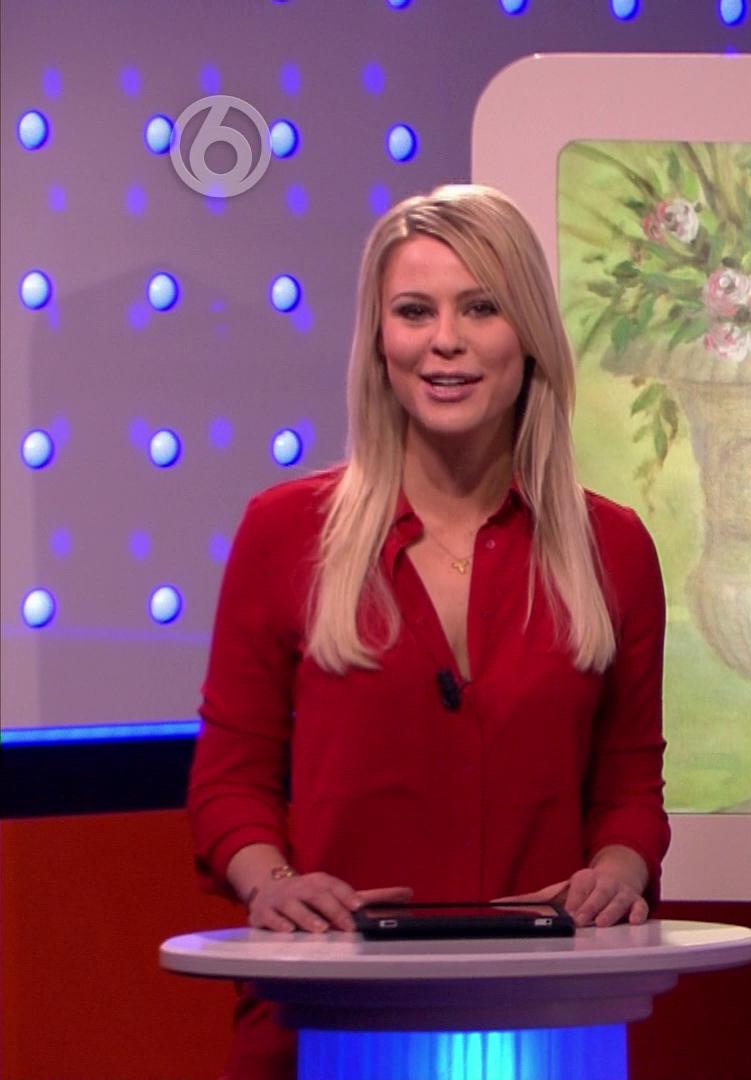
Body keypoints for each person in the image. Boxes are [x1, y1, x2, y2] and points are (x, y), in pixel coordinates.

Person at [186, 184, 669, 1078]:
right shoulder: (283, 533)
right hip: (327, 1017)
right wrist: (276, 886)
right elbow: (230, 782)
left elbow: (630, 785)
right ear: (380, 339)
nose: (445, 340)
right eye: (415, 311)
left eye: (480, 308)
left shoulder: (615, 549)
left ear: (529, 333)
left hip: (544, 1018)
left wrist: (619, 870)